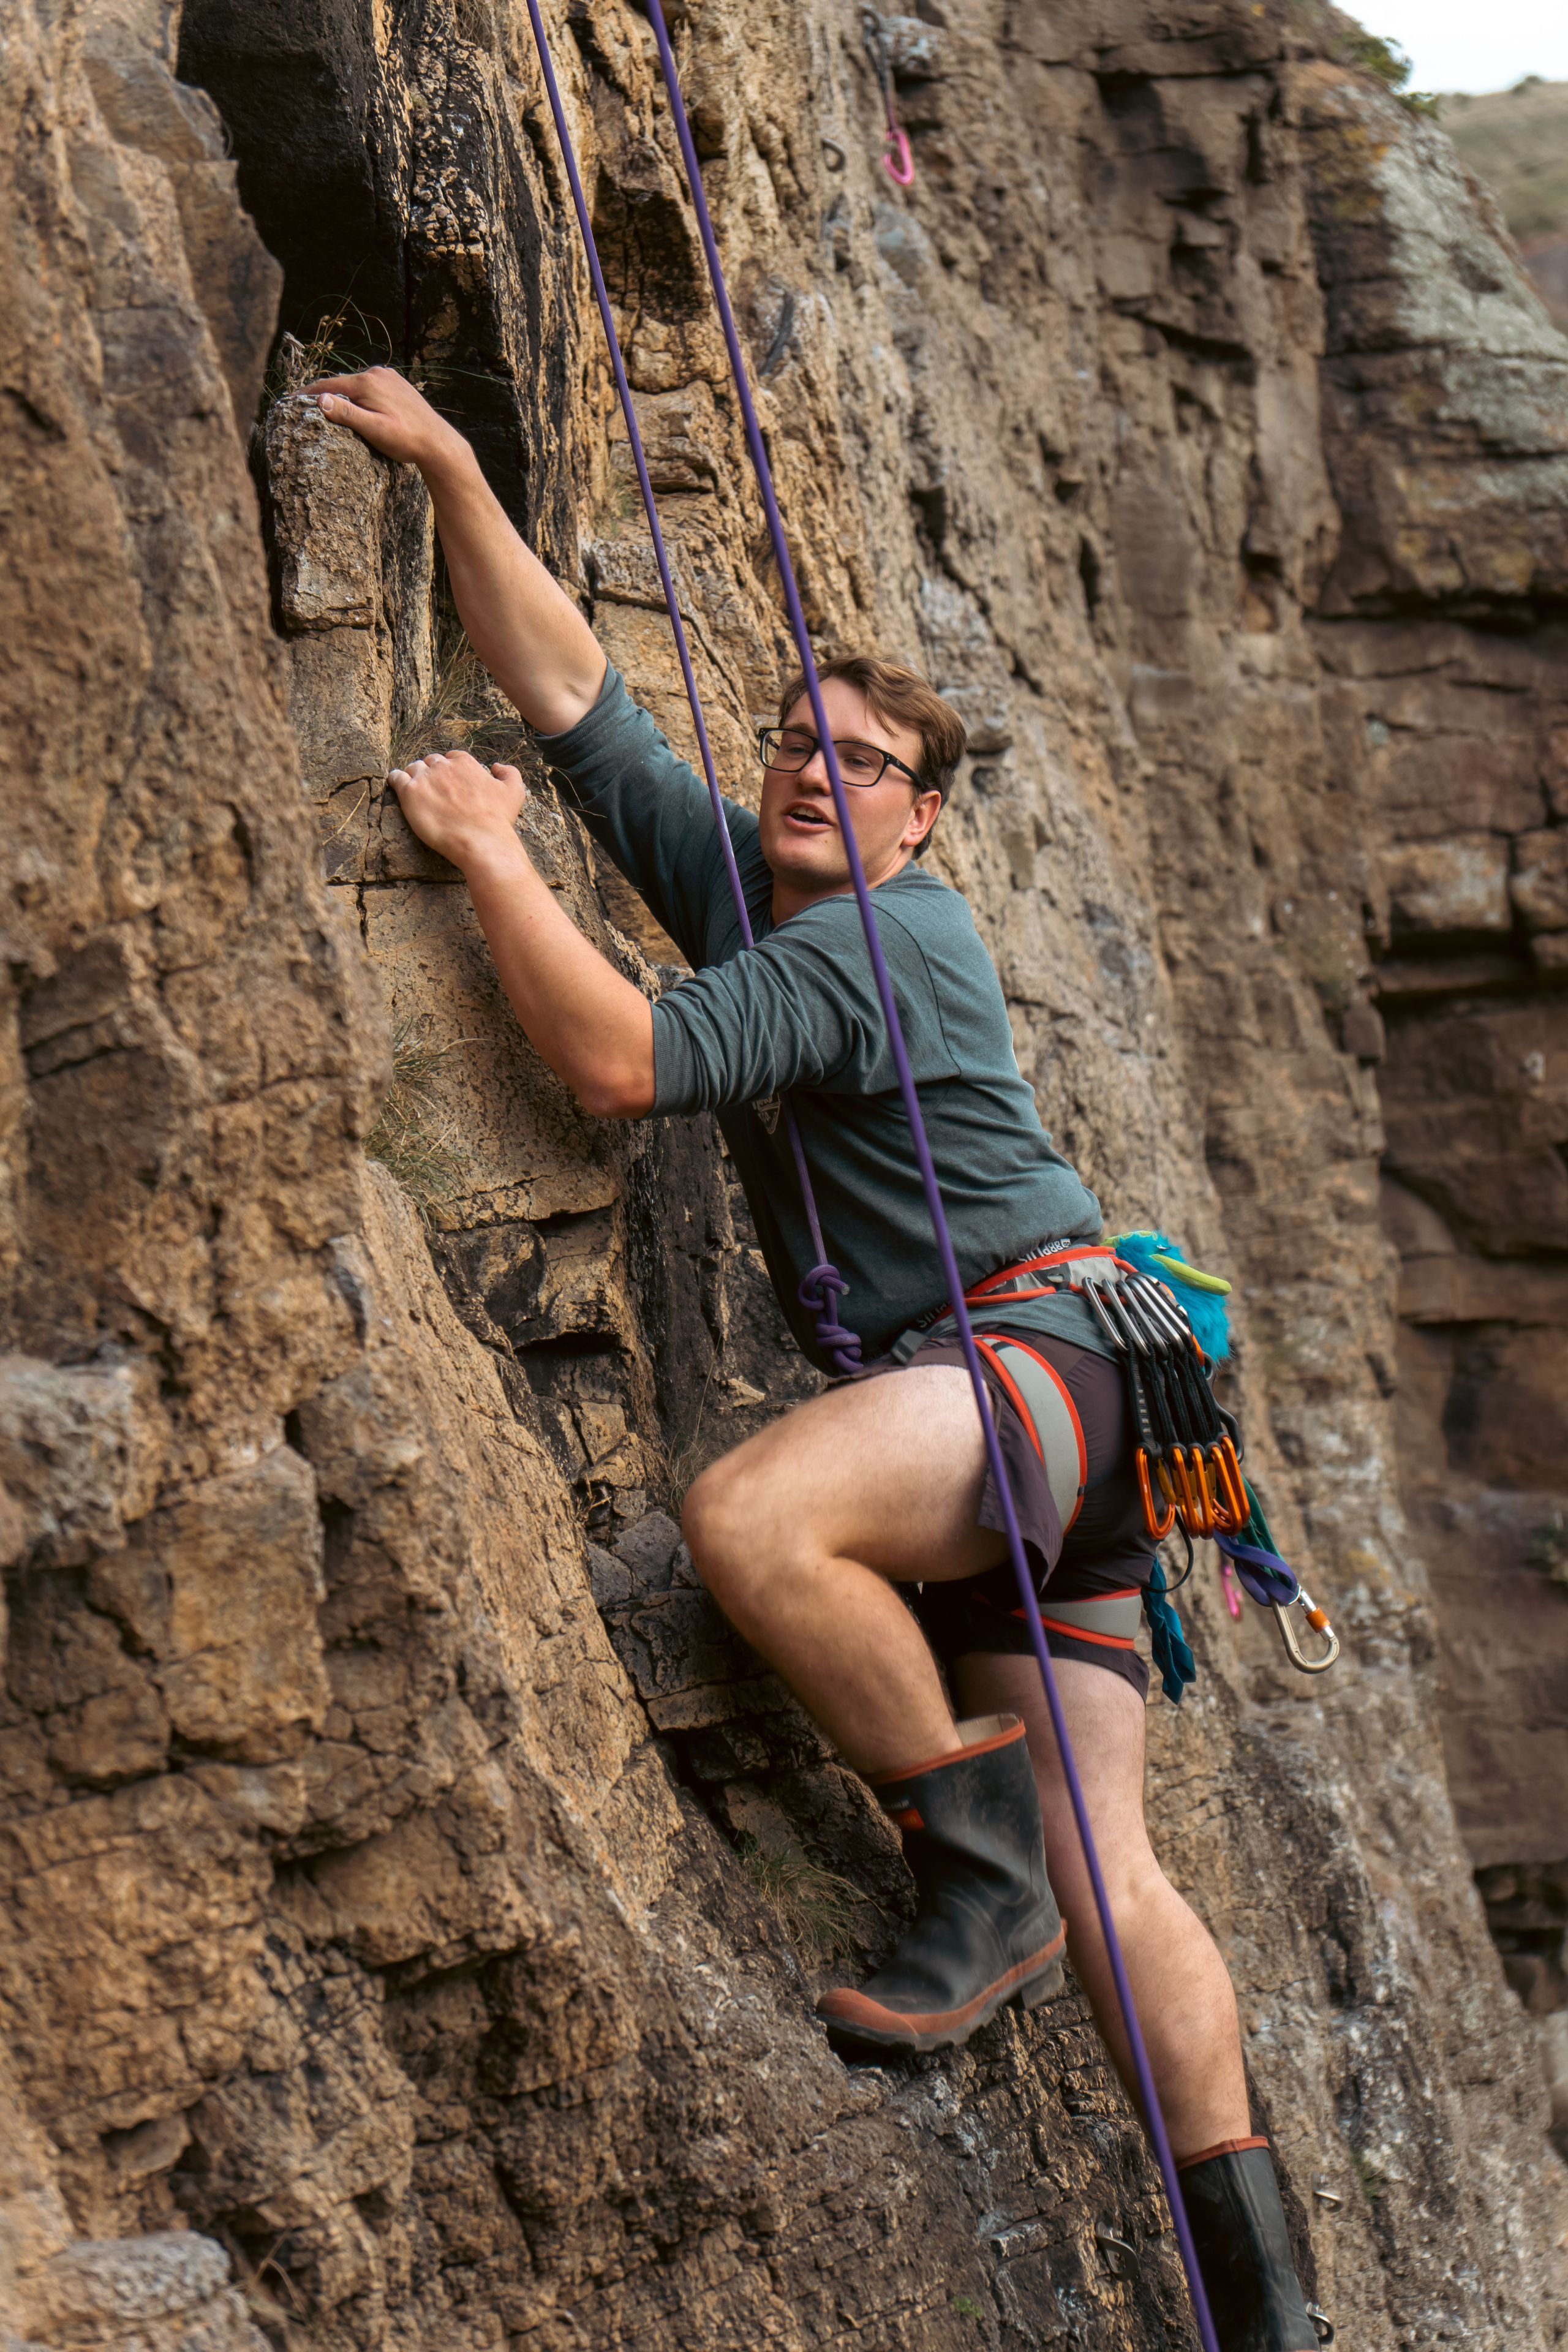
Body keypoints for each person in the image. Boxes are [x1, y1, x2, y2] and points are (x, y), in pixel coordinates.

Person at [309, 365, 1323, 2352]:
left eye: (859, 760)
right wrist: (441, 463)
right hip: (1108, 1401)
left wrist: (495, 864)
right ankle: (1266, 2311)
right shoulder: (763, 893)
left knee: (757, 1518)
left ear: (922, 814)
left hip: (1047, 1355)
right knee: (1125, 1882)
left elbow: (614, 1065)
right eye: (793, 741)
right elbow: (578, 700)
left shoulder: (880, 938)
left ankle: (978, 1860)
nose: (809, 770)